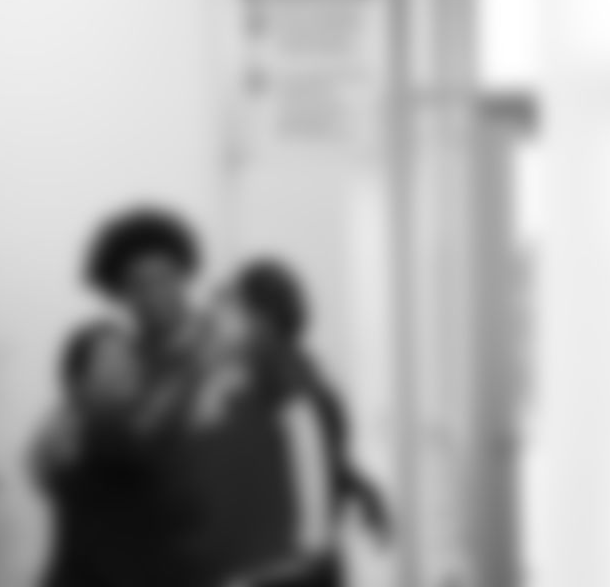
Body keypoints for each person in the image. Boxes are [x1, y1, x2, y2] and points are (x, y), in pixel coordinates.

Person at [35, 206, 300, 587]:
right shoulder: (125, 362)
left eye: (164, 277)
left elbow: (296, 420)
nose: (154, 293)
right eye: (138, 284)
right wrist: (59, 432)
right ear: (122, 295)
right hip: (154, 561)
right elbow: (60, 450)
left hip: (244, 557)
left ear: (183, 277)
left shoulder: (235, 340)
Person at [221, 258, 393, 587]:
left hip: (289, 562)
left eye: (237, 313)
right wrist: (366, 494)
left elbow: (319, 459)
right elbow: (330, 459)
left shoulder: (275, 379)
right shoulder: (308, 376)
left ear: (262, 319)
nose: (231, 327)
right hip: (306, 558)